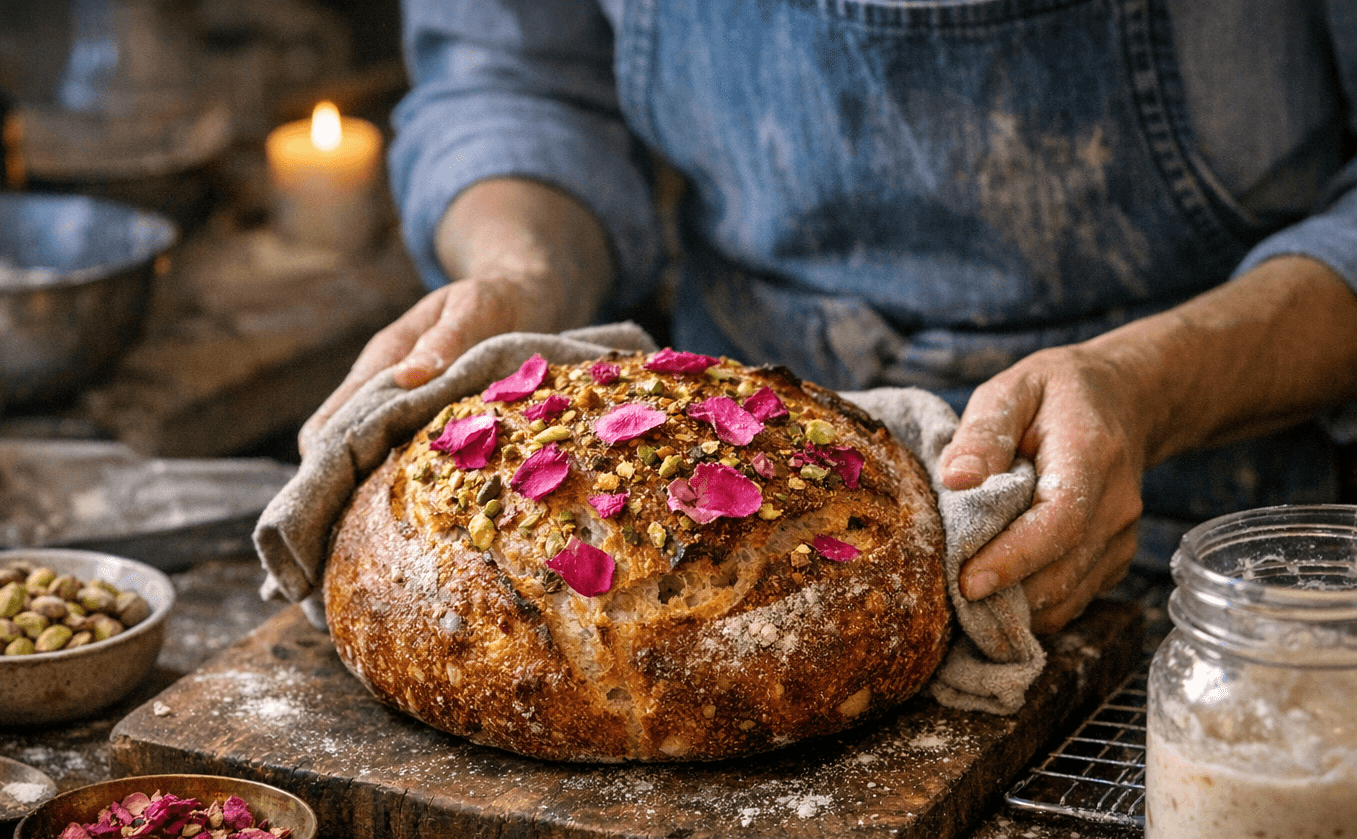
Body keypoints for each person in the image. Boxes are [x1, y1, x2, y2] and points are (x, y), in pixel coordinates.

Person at [302, 0, 1357, 633]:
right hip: (719, 544)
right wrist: (520, 276)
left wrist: (1151, 386)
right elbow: (517, 79)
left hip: (1223, 538)